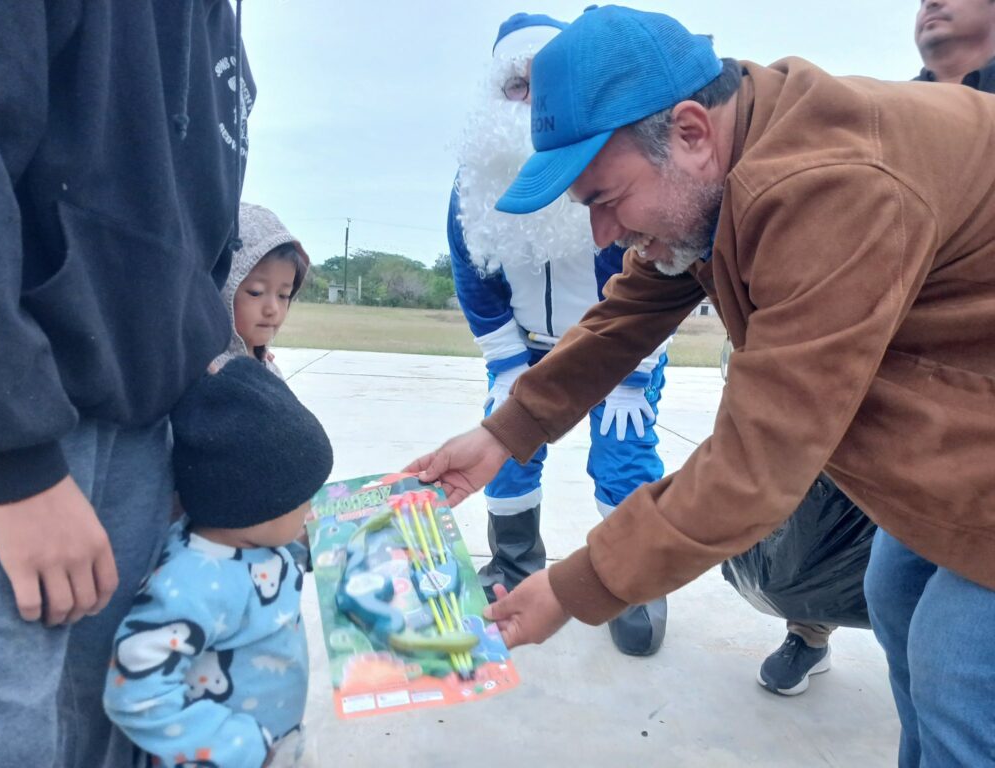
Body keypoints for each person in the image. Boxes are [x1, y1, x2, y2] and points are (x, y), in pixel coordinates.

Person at [408, 6, 995, 765]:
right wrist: (503, 434)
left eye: (604, 201)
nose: (601, 236)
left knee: (960, 665)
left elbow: (758, 462)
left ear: (689, 131)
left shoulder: (830, 188)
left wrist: (573, 587)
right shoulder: (719, 166)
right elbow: (627, 312)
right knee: (898, 596)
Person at [0, 3, 253, 765]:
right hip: (14, 429)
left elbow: (196, 253)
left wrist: (202, 436)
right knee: (5, 738)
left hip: (139, 435)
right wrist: (11, 456)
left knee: (115, 724)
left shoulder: (223, 29)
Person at [757, 0, 995, 702]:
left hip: (971, 427)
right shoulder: (897, 112)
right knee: (888, 592)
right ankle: (810, 629)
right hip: (895, 405)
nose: (932, 3)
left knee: (954, 664)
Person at [448, 11, 670, 656]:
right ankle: (513, 566)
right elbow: (473, 276)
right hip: (523, 350)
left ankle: (634, 584)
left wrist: (633, 375)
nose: (526, 104)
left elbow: (648, 274)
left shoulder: (608, 166)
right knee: (506, 455)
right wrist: (506, 363)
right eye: (514, 88)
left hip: (616, 349)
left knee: (624, 457)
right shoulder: (475, 184)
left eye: (540, 89)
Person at [104, 357, 333, 768]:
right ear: (253, 505)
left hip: (273, 743)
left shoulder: (254, 542)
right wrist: (240, 747)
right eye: (303, 501)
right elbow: (136, 695)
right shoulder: (190, 583)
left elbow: (281, 562)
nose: (311, 511)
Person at [211, 202, 311, 378]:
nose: (272, 309)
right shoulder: (210, 370)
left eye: (284, 295)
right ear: (223, 289)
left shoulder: (271, 369)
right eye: (256, 292)